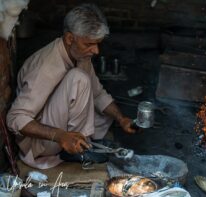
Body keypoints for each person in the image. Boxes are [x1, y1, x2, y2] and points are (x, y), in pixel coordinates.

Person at [6, 4, 136, 169]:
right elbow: (15, 118)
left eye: (97, 43)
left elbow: (98, 94)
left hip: (59, 122)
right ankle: (77, 148)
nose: (96, 50)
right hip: (40, 142)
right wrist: (60, 136)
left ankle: (83, 142)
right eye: (89, 44)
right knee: (79, 79)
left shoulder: (80, 55)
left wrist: (121, 118)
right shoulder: (45, 67)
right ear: (69, 38)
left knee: (100, 106)